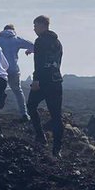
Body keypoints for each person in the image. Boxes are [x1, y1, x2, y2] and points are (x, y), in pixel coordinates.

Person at [27, 15, 65, 156]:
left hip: (43, 81)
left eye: (35, 25)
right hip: (56, 80)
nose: (34, 28)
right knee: (56, 115)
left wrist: (36, 80)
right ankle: (57, 148)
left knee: (31, 105)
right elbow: (58, 60)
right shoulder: (57, 42)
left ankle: (40, 136)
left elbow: (39, 61)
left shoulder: (40, 41)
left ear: (43, 25)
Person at [0, 24, 35, 122]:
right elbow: (34, 46)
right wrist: (30, 50)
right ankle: (24, 114)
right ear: (13, 30)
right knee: (18, 91)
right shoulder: (17, 39)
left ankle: (1, 94)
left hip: (1, 71)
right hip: (14, 69)